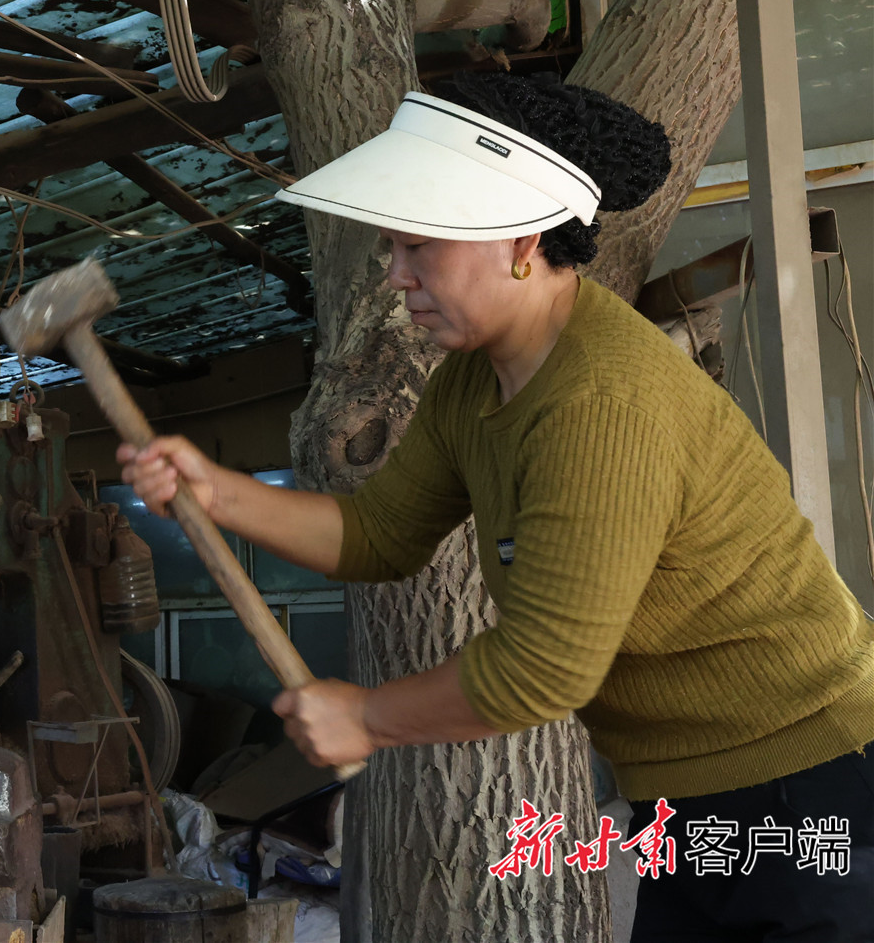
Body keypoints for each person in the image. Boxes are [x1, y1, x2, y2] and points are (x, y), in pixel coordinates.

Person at [121, 74, 874, 941]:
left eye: (418, 249)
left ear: (519, 239)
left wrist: (365, 715)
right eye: (394, 248)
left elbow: (545, 670)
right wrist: (217, 496)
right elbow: (381, 534)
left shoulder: (599, 403)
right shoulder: (474, 384)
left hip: (819, 780)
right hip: (692, 797)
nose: (395, 276)